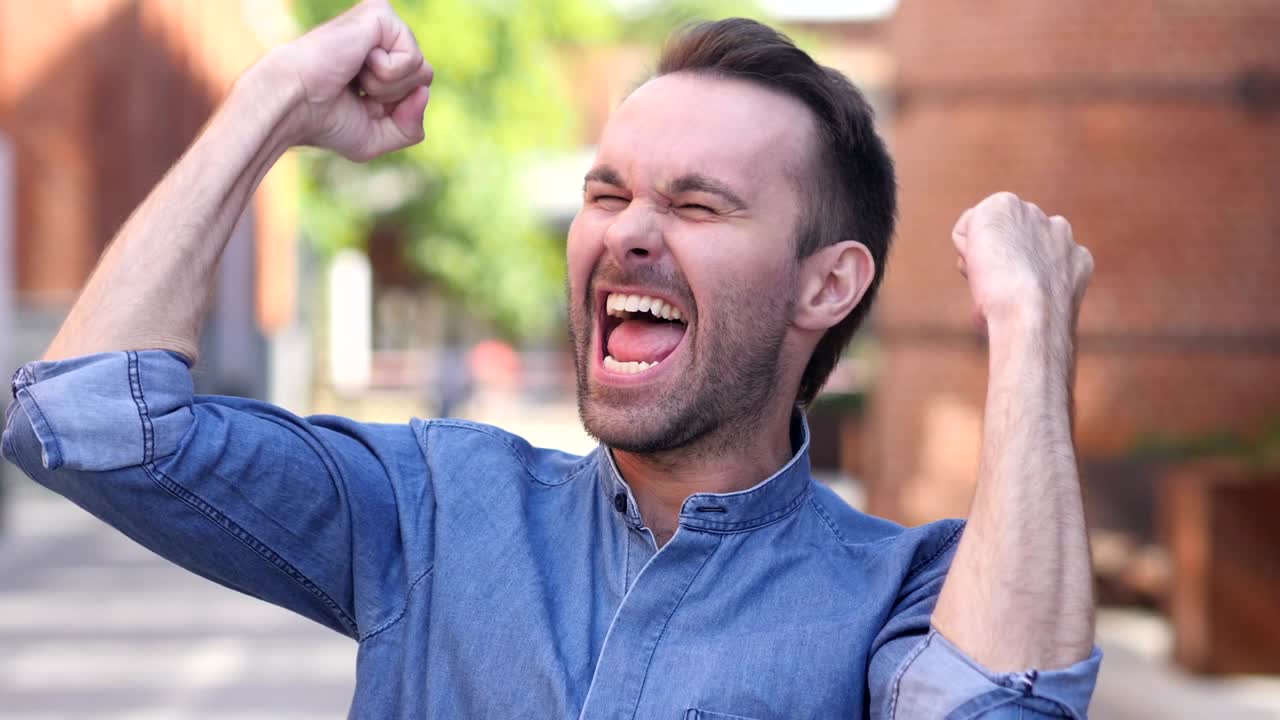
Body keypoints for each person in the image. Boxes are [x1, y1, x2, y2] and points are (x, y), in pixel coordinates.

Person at [2, 1, 1101, 717]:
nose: (626, 230)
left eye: (696, 203)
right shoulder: (434, 505)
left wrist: (1030, 328)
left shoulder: (898, 591)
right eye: (606, 191)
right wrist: (272, 101)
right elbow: (89, 424)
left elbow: (1000, 705)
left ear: (827, 285)